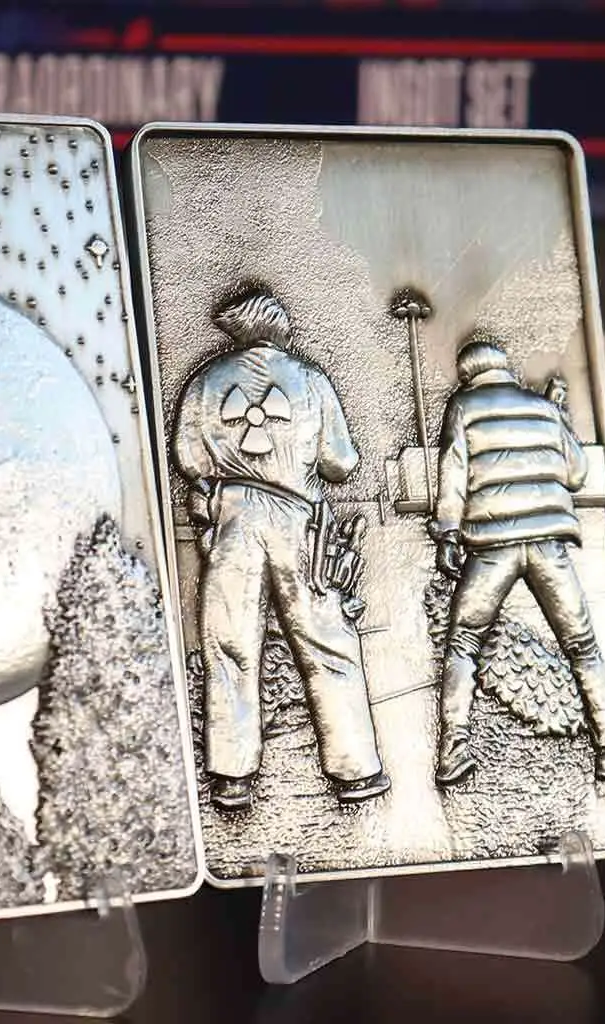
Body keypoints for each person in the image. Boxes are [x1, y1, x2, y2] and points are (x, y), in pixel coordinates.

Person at [172, 288, 390, 811]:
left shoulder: (205, 381)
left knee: (229, 644)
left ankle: (232, 776)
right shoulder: (310, 379)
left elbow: (188, 459)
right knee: (327, 643)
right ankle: (356, 770)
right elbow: (341, 463)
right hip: (299, 518)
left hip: (232, 520)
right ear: (277, 328)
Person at [429, 336, 605, 785]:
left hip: (492, 546)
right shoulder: (543, 409)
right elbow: (576, 474)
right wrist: (558, 414)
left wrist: (447, 533)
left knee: (464, 641)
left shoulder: (463, 406)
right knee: (582, 645)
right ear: (505, 369)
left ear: (467, 375)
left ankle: (453, 752)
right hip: (548, 544)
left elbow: (454, 473)